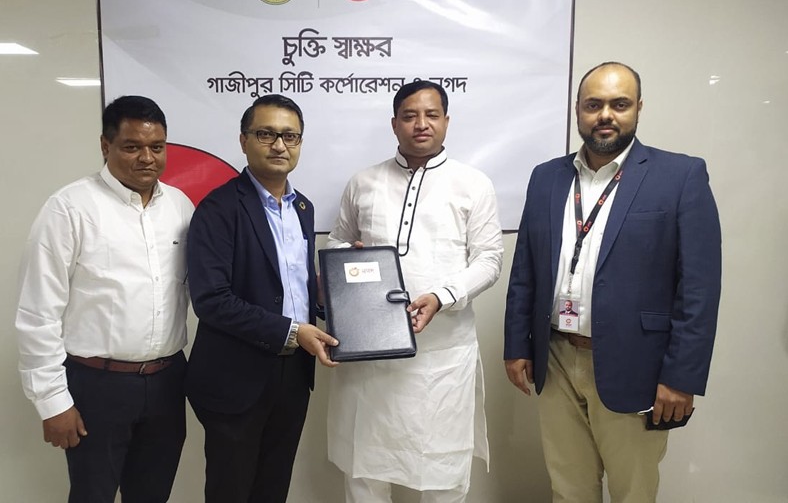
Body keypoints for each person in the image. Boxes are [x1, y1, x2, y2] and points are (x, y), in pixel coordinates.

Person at [504, 61, 722, 502]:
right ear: (578, 111)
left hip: (636, 366)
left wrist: (682, 376)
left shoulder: (680, 176)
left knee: (632, 493)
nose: (605, 114)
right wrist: (516, 346)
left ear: (638, 108)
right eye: (594, 104)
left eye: (619, 104)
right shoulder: (546, 177)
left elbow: (699, 288)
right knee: (567, 489)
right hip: (557, 357)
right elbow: (524, 267)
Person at [327, 80, 504, 502]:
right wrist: (348, 256)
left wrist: (442, 296)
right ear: (394, 124)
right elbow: (335, 242)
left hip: (442, 357)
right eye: (409, 116)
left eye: (431, 115)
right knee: (364, 469)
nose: (421, 124)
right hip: (371, 352)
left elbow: (490, 260)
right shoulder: (363, 182)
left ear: (446, 121)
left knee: (442, 470)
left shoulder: (472, 184)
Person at [15, 95, 195, 502]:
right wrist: (51, 401)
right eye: (132, 147)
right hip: (97, 386)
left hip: (167, 381)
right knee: (92, 495)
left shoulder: (180, 207)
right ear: (105, 146)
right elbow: (37, 313)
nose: (147, 158)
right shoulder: (70, 209)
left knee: (152, 494)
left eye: (157, 147)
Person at [184, 94, 339, 503]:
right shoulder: (218, 209)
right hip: (235, 377)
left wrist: (340, 288)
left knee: (273, 487)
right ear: (244, 140)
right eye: (266, 134)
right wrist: (294, 332)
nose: (279, 145)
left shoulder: (301, 207)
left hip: (292, 375)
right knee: (231, 490)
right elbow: (211, 300)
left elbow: (291, 284)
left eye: (290, 136)